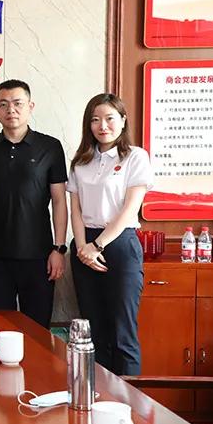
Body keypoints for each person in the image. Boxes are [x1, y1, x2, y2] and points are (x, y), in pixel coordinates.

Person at [0, 79, 68, 328]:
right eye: (3, 104)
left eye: (17, 103)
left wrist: (58, 249)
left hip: (39, 254)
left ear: (30, 106)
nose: (10, 110)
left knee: (37, 329)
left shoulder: (50, 147)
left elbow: (59, 201)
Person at [68, 93, 152, 376]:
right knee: (94, 332)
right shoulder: (80, 162)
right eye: (95, 120)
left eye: (109, 118)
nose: (102, 126)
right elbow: (75, 210)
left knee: (122, 332)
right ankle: (96, 394)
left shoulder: (135, 157)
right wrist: (82, 247)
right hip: (85, 246)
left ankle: (129, 400)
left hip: (119, 243)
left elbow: (130, 210)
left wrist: (97, 245)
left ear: (123, 120)